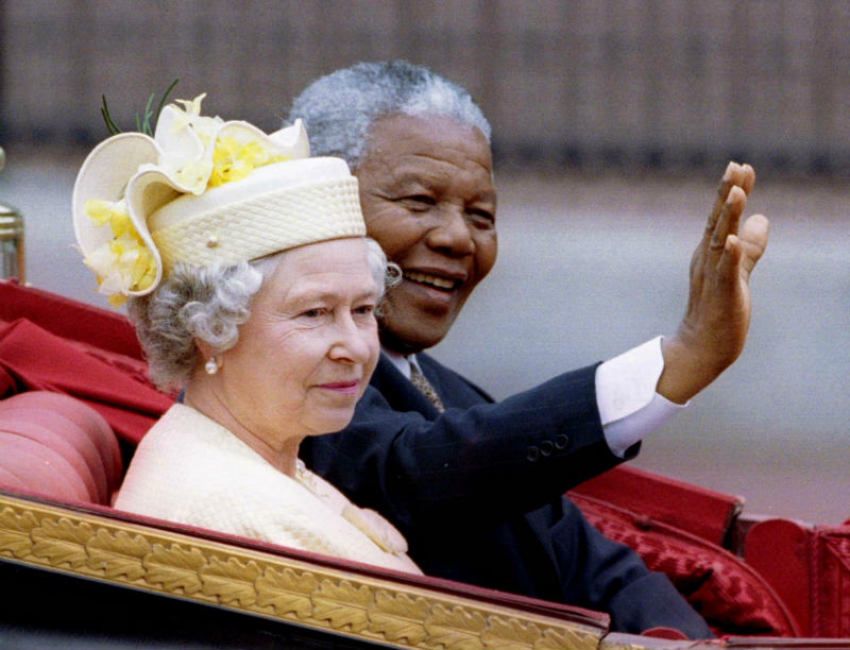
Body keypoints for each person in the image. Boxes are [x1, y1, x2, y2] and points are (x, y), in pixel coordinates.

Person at [289, 61, 769, 636]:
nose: (457, 237)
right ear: (316, 198)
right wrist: (681, 360)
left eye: (481, 215)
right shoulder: (278, 371)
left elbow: (602, 572)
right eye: (419, 202)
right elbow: (418, 471)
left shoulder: (452, 394)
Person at [72, 93, 419, 574]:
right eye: (314, 313)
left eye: (362, 309)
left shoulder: (253, 455)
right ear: (208, 329)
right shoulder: (236, 515)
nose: (357, 347)